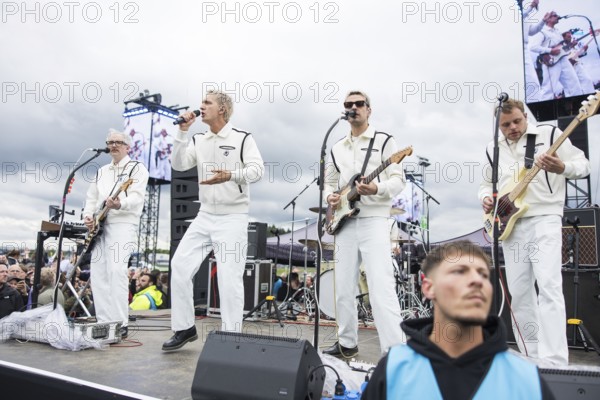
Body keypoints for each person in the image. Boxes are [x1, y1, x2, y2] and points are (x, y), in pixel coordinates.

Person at [361, 241, 556, 399]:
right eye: (459, 271)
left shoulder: (526, 379)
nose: (477, 281)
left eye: (483, 274)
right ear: (428, 288)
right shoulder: (393, 370)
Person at [478, 98, 590, 365]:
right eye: (505, 125)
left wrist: (562, 167)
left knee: (549, 287)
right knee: (520, 293)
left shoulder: (550, 134)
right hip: (510, 225)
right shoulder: (492, 149)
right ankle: (531, 356)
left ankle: (555, 360)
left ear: (525, 117)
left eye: (517, 121)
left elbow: (583, 165)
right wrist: (486, 197)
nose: (513, 127)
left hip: (544, 217)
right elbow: (485, 183)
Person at [163, 90, 264, 351]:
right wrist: (182, 132)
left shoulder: (242, 138)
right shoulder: (198, 138)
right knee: (180, 265)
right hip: (205, 214)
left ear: (222, 109)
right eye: (201, 102)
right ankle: (184, 328)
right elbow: (179, 164)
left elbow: (257, 170)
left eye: (207, 103)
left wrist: (229, 175)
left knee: (229, 278)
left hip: (233, 216)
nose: (201, 106)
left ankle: (232, 337)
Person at [323, 90, 405, 358]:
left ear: (369, 110)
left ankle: (394, 350)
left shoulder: (384, 141)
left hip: (374, 220)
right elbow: (329, 181)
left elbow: (398, 180)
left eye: (359, 104)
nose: (353, 107)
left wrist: (377, 188)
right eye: (348, 104)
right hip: (345, 221)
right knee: (343, 287)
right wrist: (331, 196)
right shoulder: (336, 147)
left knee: (381, 287)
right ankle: (347, 343)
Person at [83, 129, 149, 339]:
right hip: (100, 225)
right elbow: (91, 197)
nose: (113, 145)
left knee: (116, 271)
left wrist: (121, 203)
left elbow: (138, 197)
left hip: (122, 223)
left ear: (128, 146)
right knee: (98, 273)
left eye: (118, 142)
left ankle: (120, 323)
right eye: (110, 142)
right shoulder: (101, 170)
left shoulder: (137, 168)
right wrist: (88, 215)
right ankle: (103, 322)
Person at [530, 11, 583, 100]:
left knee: (574, 85)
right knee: (548, 90)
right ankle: (545, 111)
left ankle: (576, 108)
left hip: (564, 60)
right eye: (555, 15)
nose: (558, 16)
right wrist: (550, 50)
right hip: (551, 62)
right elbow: (532, 47)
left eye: (557, 15)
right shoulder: (542, 32)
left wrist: (571, 46)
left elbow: (561, 49)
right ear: (548, 19)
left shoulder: (558, 32)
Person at [562, 30, 596, 95]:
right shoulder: (561, 46)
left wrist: (584, 50)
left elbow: (578, 54)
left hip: (578, 65)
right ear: (563, 38)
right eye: (568, 36)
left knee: (587, 80)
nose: (570, 37)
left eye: (570, 35)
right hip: (568, 69)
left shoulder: (573, 46)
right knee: (572, 85)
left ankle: (590, 95)